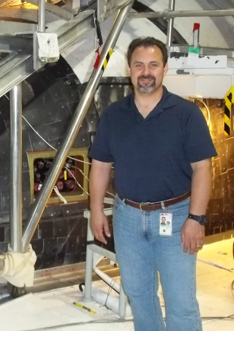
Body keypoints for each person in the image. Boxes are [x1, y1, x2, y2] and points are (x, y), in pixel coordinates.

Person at [88, 37, 217, 331]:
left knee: (181, 303)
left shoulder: (187, 115)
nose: (146, 72)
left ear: (165, 69)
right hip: (128, 219)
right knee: (140, 296)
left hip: (175, 218)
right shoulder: (114, 115)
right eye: (139, 65)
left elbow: (202, 168)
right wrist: (97, 210)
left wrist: (196, 218)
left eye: (153, 65)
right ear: (129, 70)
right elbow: (100, 165)